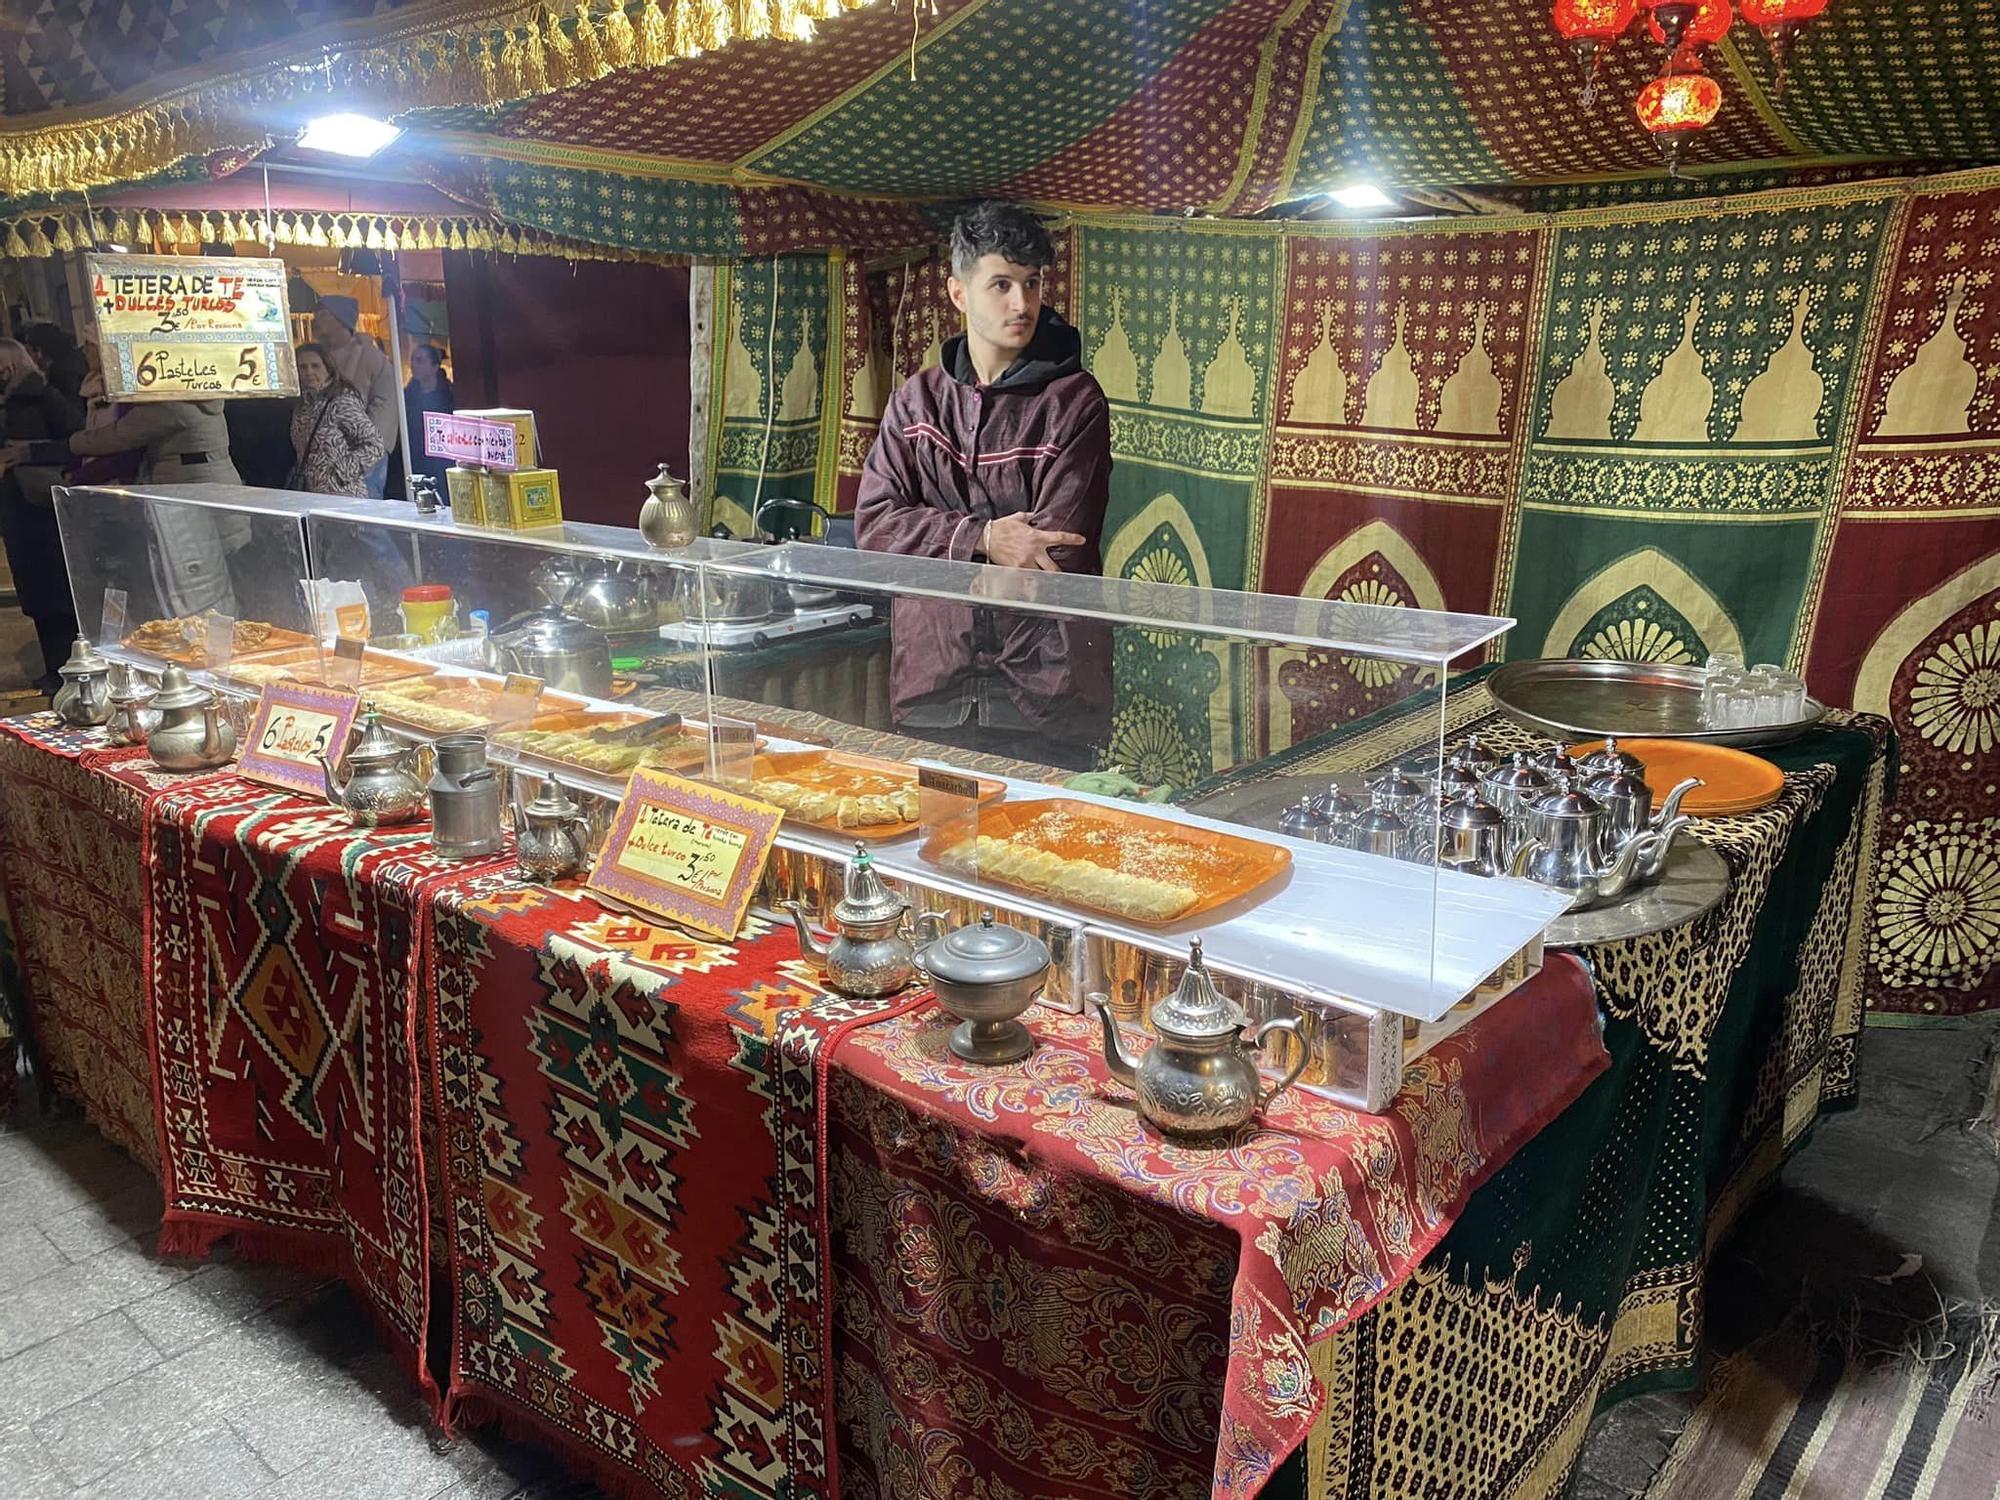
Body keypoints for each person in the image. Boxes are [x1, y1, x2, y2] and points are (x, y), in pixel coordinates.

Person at [853, 201, 1112, 771]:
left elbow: (1050, 552)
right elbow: (873, 527)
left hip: (1046, 691)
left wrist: (933, 543)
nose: (1021, 303)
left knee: (1038, 854)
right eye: (1001, 284)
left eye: (1032, 283)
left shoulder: (1074, 402)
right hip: (932, 684)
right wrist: (984, 536)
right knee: (935, 850)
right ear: (957, 292)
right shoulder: (914, 402)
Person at [6, 393, 249, 621]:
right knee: (214, 587)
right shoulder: (199, 401)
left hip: (189, 506)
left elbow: (116, 436)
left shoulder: (172, 405)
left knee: (204, 593)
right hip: (208, 497)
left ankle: (211, 652)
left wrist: (50, 451)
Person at [0, 337, 85, 692]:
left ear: (10, 367)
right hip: (16, 508)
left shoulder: (45, 396)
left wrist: (29, 452)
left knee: (56, 593)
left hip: (43, 507)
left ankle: (69, 670)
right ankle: (55, 669)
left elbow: (77, 440)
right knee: (34, 592)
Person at [311, 295, 399, 497]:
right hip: (323, 453)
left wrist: (368, 445)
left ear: (341, 320)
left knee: (366, 511)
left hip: (362, 450)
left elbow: (386, 404)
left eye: (323, 315)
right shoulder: (317, 358)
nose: (316, 320)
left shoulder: (371, 357)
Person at [290, 343, 386, 497]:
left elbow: (374, 445)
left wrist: (340, 474)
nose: (309, 372)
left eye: (315, 366)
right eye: (303, 367)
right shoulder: (302, 407)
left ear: (328, 369)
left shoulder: (341, 402)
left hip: (343, 495)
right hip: (313, 495)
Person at [404, 343, 454, 487]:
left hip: (442, 462)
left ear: (434, 366)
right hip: (414, 460)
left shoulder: (449, 396)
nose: (413, 365)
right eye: (413, 360)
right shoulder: (406, 397)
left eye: (419, 360)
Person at [19, 322, 88, 403]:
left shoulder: (59, 377)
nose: (27, 357)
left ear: (39, 352)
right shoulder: (77, 359)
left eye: (28, 351)